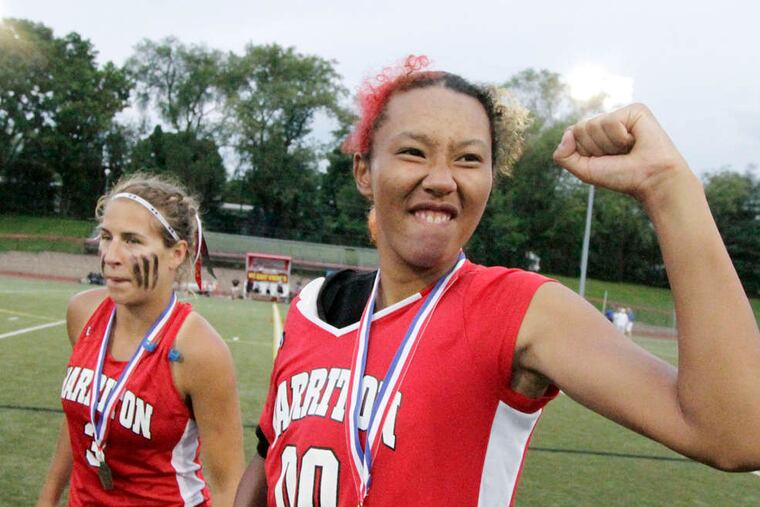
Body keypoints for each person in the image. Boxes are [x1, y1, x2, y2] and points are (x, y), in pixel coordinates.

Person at [234, 56, 760, 506]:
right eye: (414, 152)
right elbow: (269, 456)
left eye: (468, 159)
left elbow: (738, 434)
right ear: (364, 171)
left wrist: (668, 187)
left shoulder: (519, 310)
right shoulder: (312, 306)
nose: (441, 180)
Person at [38, 174, 245, 507]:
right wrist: (47, 500)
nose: (111, 256)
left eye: (132, 241)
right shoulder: (83, 313)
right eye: (107, 237)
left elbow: (228, 484)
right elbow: (83, 418)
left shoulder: (198, 351)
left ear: (176, 254)